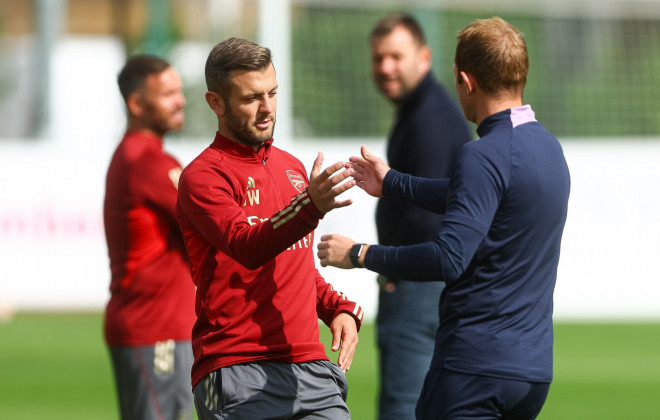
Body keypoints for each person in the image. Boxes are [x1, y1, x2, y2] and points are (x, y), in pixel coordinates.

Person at [318, 17, 571, 420]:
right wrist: (393, 183)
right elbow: (471, 196)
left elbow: (448, 258)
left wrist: (361, 254)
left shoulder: (481, 154)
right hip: (532, 372)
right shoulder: (548, 148)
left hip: (474, 367)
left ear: (464, 80)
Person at [175, 37, 365, 420]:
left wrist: (336, 308)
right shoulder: (203, 176)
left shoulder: (292, 168)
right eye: (250, 98)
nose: (267, 109)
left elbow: (293, 265)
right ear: (216, 102)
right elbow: (247, 247)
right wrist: (309, 206)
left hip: (309, 369)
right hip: (237, 368)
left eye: (273, 93)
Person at [368, 12, 472, 420]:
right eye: (378, 58)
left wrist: (391, 270)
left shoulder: (428, 117)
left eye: (396, 56)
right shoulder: (422, 109)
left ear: (424, 57)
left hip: (418, 286)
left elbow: (429, 214)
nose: (385, 67)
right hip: (426, 284)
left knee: (402, 407)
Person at [104, 55, 195, 420]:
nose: (181, 100)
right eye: (168, 93)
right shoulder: (149, 163)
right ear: (137, 104)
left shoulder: (135, 156)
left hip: (153, 326)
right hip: (156, 327)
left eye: (179, 91)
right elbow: (217, 223)